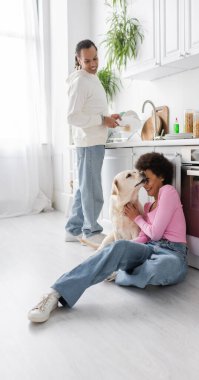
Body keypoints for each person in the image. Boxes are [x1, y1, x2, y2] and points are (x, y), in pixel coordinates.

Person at [28, 153, 188, 323]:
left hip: (172, 253)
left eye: (147, 179)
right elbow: (144, 237)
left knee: (162, 267)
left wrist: (136, 218)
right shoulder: (147, 206)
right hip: (149, 248)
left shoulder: (168, 192)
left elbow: (155, 233)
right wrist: (117, 252)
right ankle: (55, 293)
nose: (145, 185)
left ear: (162, 176)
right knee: (118, 246)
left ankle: (119, 275)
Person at [65, 39, 121, 244]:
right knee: (92, 190)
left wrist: (107, 117)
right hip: (89, 143)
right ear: (78, 60)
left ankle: (73, 229)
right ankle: (91, 231)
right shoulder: (80, 81)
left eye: (95, 58)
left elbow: (90, 110)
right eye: (87, 60)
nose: (93, 63)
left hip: (93, 141)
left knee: (84, 188)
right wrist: (101, 119)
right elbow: (72, 117)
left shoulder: (90, 79)